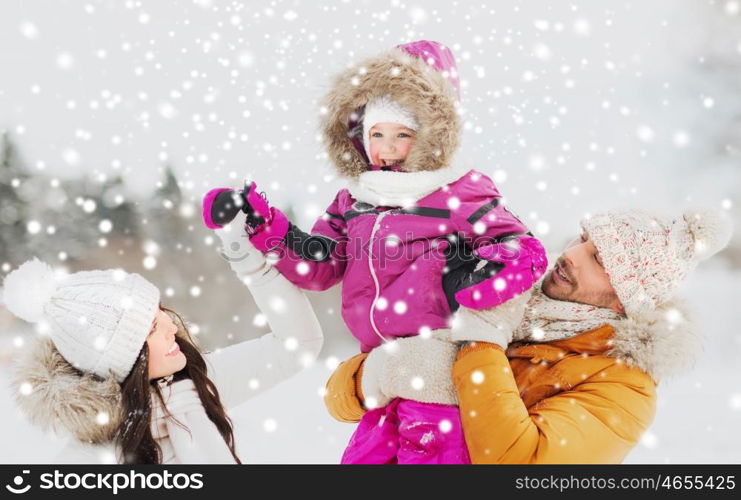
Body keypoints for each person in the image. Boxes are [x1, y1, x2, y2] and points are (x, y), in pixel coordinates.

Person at [202, 40, 547, 463]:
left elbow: (521, 247)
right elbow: (320, 264)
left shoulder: (458, 188)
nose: (385, 148)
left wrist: (479, 284)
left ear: (433, 133)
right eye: (376, 134)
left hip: (439, 366)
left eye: (402, 135)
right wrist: (263, 224)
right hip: (381, 367)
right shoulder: (355, 198)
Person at [324, 208, 732, 463]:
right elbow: (338, 400)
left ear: (627, 300)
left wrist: (481, 343)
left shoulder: (624, 390)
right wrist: (379, 372)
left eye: (598, 259)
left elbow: (520, 464)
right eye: (583, 239)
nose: (571, 254)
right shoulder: (507, 299)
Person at [5, 214, 323, 464]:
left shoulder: (198, 385)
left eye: (161, 313)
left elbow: (299, 345)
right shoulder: (88, 462)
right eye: (152, 328)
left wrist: (249, 261)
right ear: (125, 361)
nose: (171, 326)